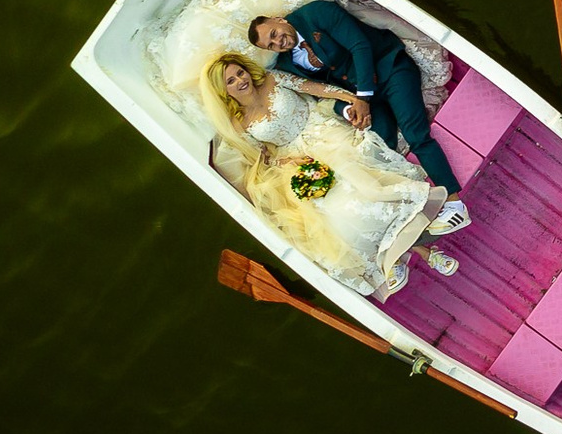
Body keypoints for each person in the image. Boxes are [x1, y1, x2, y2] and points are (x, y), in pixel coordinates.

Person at [198, 54, 464, 295]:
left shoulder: (272, 79)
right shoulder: (239, 123)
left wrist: (350, 98)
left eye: (240, 73)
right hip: (296, 159)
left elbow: (316, 89)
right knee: (338, 213)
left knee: (366, 188)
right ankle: (421, 254)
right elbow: (265, 158)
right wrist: (289, 160)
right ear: (224, 91)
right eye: (231, 81)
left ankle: (415, 254)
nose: (240, 81)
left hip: (323, 131)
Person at [248, 3, 465, 200]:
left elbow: (360, 46)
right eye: (271, 45)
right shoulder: (286, 64)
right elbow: (322, 93)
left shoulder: (316, 13)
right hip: (363, 99)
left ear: (279, 20)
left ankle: (453, 199)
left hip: (390, 70)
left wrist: (362, 97)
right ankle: (421, 202)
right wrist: (348, 110)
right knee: (380, 150)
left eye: (274, 34)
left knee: (415, 134)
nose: (278, 42)